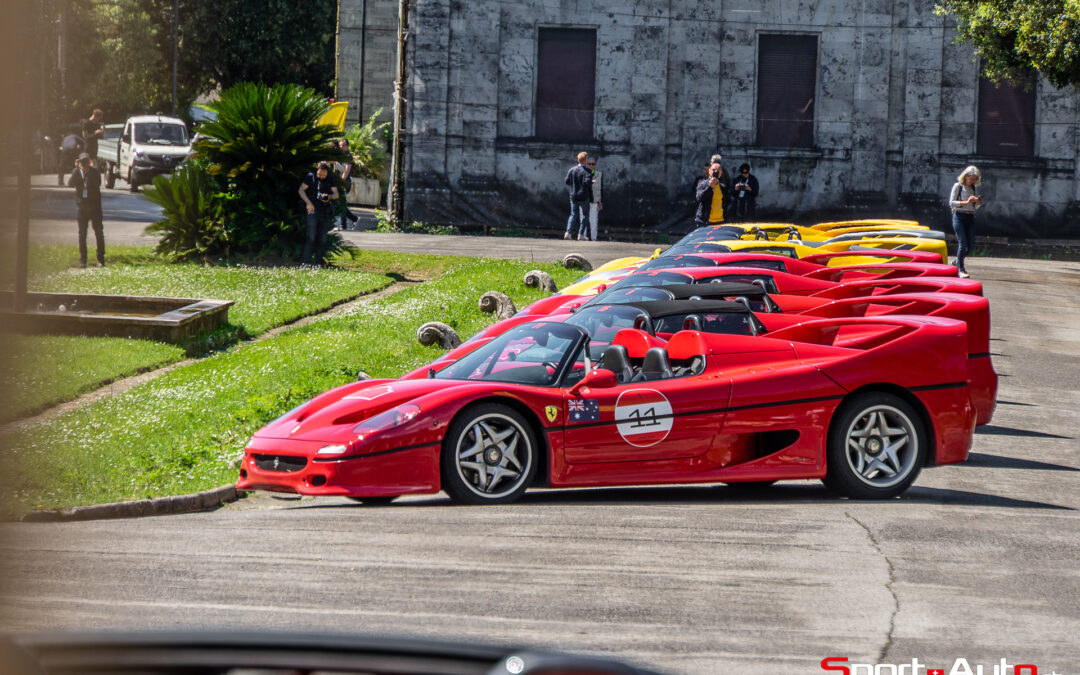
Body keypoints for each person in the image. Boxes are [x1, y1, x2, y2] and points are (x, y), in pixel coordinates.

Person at [298, 162, 340, 264]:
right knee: (311, 238)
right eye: (319, 174)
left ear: (327, 173)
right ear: (317, 170)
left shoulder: (330, 179)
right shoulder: (310, 176)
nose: (321, 177)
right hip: (312, 211)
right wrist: (308, 203)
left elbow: (336, 194)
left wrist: (329, 197)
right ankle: (306, 262)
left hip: (325, 211)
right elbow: (301, 190)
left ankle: (319, 261)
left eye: (323, 175)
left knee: (322, 239)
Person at [69, 152, 105, 268]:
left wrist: (87, 175)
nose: (84, 165)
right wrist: (77, 171)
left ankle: (101, 259)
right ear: (78, 162)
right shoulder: (76, 173)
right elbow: (70, 184)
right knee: (82, 234)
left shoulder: (94, 173)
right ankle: (83, 260)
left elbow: (97, 183)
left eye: (86, 162)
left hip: (94, 207)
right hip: (82, 207)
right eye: (82, 162)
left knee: (98, 232)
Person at [948, 165, 982, 278]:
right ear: (965, 176)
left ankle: (957, 260)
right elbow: (951, 203)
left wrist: (977, 202)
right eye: (971, 178)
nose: (972, 181)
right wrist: (966, 202)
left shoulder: (974, 188)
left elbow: (976, 207)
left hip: (970, 216)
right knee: (962, 243)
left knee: (970, 245)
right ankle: (960, 269)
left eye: (975, 179)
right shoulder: (958, 186)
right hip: (959, 216)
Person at [564, 151, 592, 240]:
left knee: (573, 214)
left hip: (573, 195)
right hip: (583, 196)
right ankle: (581, 234)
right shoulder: (588, 171)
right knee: (585, 215)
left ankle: (568, 233)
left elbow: (567, 181)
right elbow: (587, 183)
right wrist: (592, 182)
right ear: (585, 160)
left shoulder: (572, 170)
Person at [333, 139, 360, 232]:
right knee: (341, 203)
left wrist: (341, 183)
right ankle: (352, 220)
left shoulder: (348, 156)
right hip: (339, 182)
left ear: (347, 146)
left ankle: (344, 224)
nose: (341, 147)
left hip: (345, 183)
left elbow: (346, 171)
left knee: (341, 203)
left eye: (343, 145)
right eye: (340, 145)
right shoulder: (340, 156)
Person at [694, 161, 726, 226]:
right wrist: (709, 187)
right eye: (713, 170)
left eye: (718, 170)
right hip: (705, 221)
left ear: (721, 173)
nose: (715, 172)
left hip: (720, 221)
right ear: (709, 171)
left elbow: (725, 202)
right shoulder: (702, 184)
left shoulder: (722, 187)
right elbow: (699, 198)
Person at [586, 155, 603, 241]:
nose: (591, 166)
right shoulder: (583, 173)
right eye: (589, 164)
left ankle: (593, 238)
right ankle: (582, 236)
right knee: (583, 220)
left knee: (594, 221)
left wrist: (600, 201)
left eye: (593, 164)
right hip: (584, 200)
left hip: (594, 201)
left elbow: (600, 189)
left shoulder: (598, 174)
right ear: (586, 164)